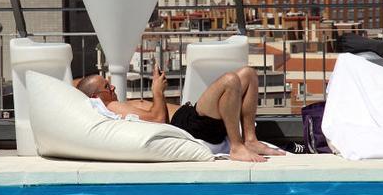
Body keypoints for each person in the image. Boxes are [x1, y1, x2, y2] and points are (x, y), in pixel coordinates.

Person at [76, 64, 288, 162]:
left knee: (248, 74)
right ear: (96, 97)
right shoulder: (112, 108)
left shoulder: (115, 103)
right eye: (107, 87)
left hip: (192, 117)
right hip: (188, 124)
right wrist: (157, 92)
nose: (113, 88)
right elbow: (158, 120)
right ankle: (237, 146)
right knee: (230, 81)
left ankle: (250, 139)